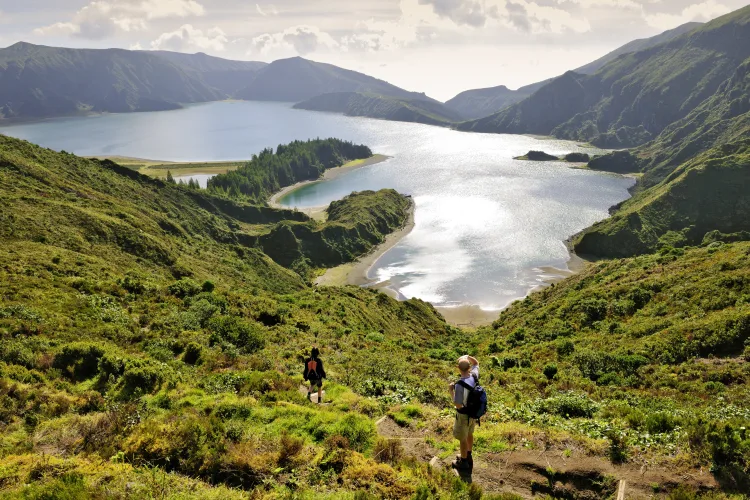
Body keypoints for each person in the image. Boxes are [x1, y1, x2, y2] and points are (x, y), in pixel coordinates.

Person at [449, 355, 479, 472]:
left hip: (463, 415)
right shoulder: (474, 376)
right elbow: (476, 363)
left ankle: (463, 461)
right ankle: (468, 453)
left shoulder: (459, 385)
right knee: (470, 433)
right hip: (473, 413)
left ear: (458, 368)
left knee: (462, 438)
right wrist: (467, 357)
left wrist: (451, 391)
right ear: (469, 368)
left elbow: (458, 405)